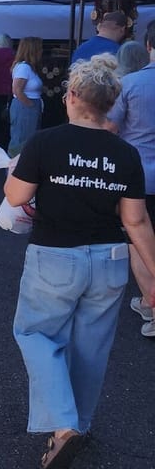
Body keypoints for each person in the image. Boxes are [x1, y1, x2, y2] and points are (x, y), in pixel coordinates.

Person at [3, 55, 155, 469]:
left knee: (36, 332)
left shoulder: (46, 142)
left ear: (71, 96)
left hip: (55, 255)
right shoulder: (125, 155)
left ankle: (63, 422)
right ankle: (79, 425)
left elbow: (15, 197)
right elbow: (136, 220)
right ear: (109, 104)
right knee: (92, 348)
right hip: (109, 260)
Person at [107, 19, 155, 335]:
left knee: (139, 241)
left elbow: (109, 127)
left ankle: (152, 307)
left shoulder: (132, 84)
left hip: (141, 174)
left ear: (149, 46)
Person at [9, 37, 43, 156]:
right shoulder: (24, 68)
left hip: (30, 105)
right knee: (21, 140)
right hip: (25, 107)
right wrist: (30, 105)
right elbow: (17, 90)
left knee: (29, 140)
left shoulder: (30, 68)